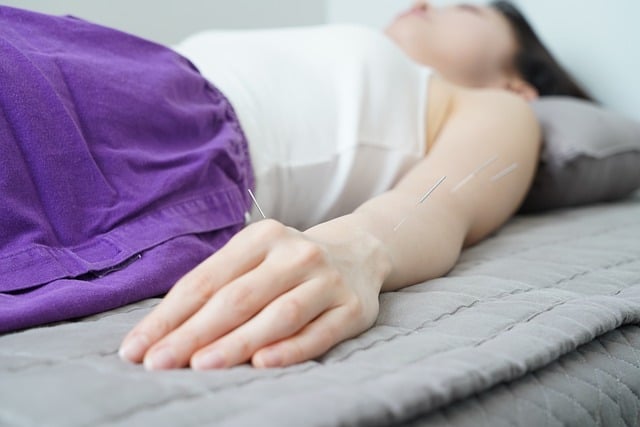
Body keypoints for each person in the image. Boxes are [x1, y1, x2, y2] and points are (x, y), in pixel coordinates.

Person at [0, 1, 590, 371]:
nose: (423, 2)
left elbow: (441, 205)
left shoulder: (498, 109)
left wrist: (357, 250)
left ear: (520, 85)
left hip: (156, 134)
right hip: (88, 57)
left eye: (468, 8)